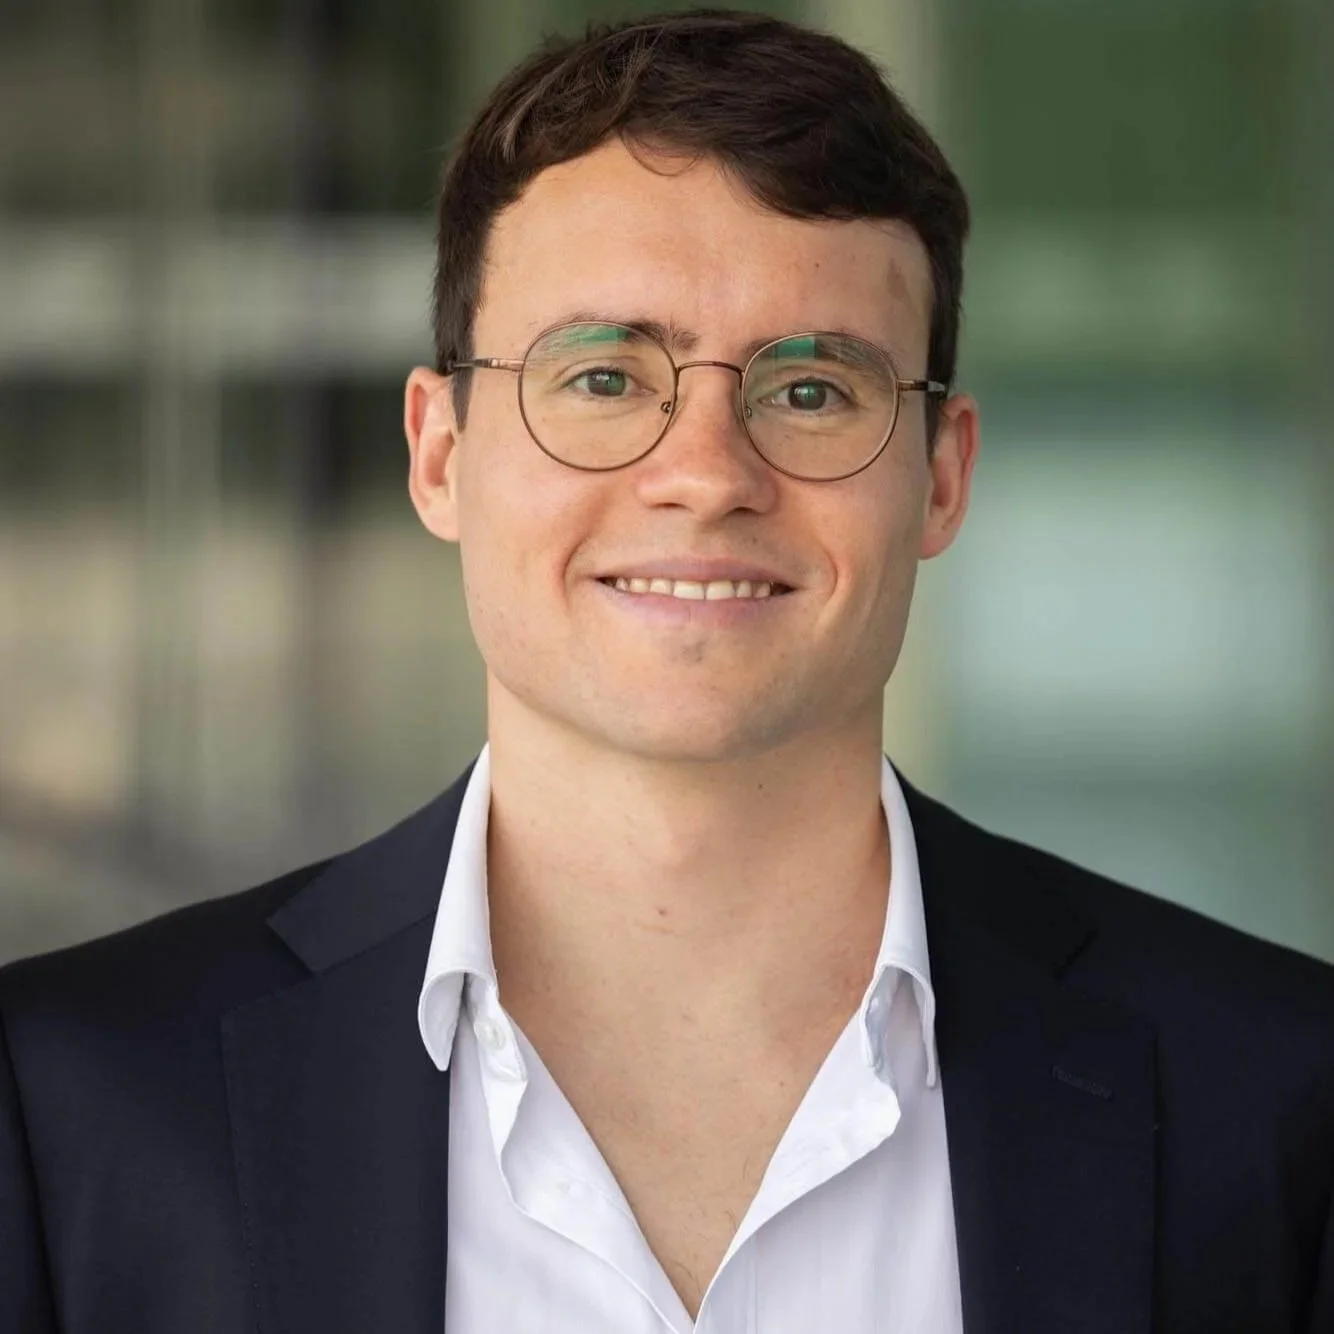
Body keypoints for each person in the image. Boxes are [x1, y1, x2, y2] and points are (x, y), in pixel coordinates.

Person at [3, 8, 1332, 1332]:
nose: (702, 473)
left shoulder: (1277, 1096)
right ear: (439, 452)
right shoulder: (71, 1103)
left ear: (940, 473)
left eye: (811, 389)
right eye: (600, 375)